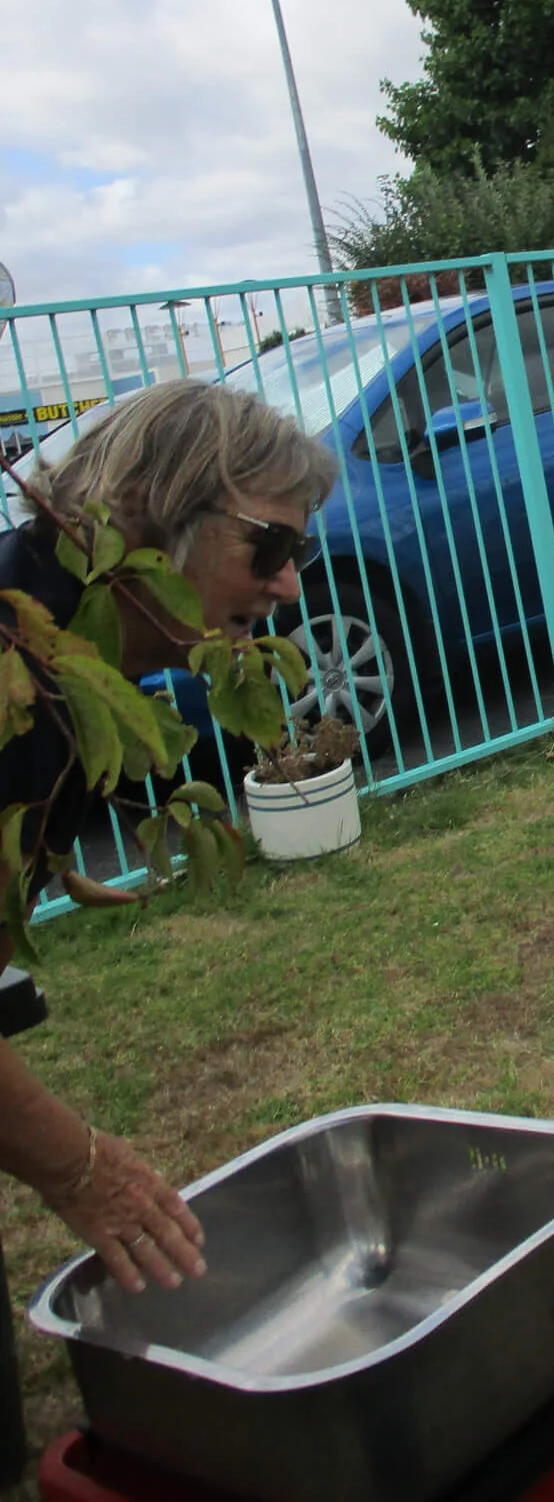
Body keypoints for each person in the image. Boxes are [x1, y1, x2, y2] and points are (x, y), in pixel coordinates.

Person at [0, 379, 334, 1293]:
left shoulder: (76, 664)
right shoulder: (20, 681)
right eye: (268, 542)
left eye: (299, 549)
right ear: (150, 513)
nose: (287, 582)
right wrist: (85, 1170)